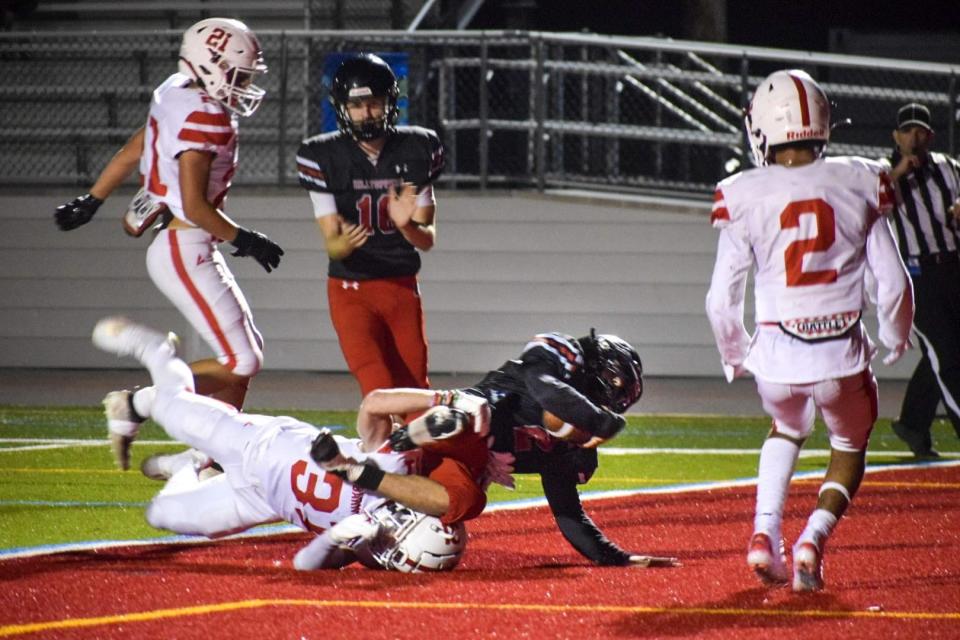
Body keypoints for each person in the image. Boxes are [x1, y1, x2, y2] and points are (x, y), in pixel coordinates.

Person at [706, 70, 913, 592]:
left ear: (761, 130)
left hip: (776, 356)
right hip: (842, 355)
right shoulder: (860, 178)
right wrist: (895, 335)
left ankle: (763, 533)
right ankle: (811, 542)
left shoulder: (742, 191)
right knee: (848, 444)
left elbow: (722, 297)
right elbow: (891, 282)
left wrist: (735, 353)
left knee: (787, 429)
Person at [53, 18, 284, 474]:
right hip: (186, 242)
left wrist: (94, 197)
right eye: (237, 74)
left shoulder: (176, 89)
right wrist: (248, 239)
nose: (243, 85)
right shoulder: (204, 114)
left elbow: (135, 147)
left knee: (242, 352)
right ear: (210, 66)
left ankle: (212, 458)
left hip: (183, 243)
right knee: (242, 359)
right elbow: (196, 206)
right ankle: (137, 403)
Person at [89, 315, 469, 573]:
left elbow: (305, 563)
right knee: (169, 405)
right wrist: (443, 400)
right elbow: (375, 404)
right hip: (255, 443)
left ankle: (190, 464)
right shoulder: (396, 466)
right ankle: (155, 351)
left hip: (259, 501)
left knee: (161, 515)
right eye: (401, 550)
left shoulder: (370, 546)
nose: (391, 551)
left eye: (399, 559)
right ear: (413, 516)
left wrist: (335, 539)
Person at [327, 330, 679, 568]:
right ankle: (401, 439)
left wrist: (619, 558)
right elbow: (544, 388)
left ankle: (369, 495)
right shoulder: (562, 355)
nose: (605, 409)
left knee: (462, 510)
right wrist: (602, 422)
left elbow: (569, 514)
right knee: (465, 415)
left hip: (463, 465)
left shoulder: (569, 447)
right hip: (454, 413)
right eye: (607, 400)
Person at [296, 53, 444, 399]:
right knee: (377, 386)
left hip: (402, 286)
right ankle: (380, 453)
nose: (366, 113)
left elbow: (426, 240)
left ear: (390, 103)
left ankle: (411, 454)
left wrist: (405, 226)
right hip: (351, 290)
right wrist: (343, 244)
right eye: (357, 105)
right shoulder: (322, 155)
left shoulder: (417, 148)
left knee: (415, 391)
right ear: (343, 109)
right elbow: (331, 245)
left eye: (374, 103)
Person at [878, 103, 960, 458]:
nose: (914, 136)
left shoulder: (947, 167)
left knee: (945, 351)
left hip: (954, 267)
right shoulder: (882, 173)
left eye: (920, 130)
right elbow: (867, 202)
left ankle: (912, 422)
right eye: (907, 130)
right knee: (949, 354)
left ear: (930, 136)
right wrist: (897, 173)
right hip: (918, 274)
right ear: (896, 136)